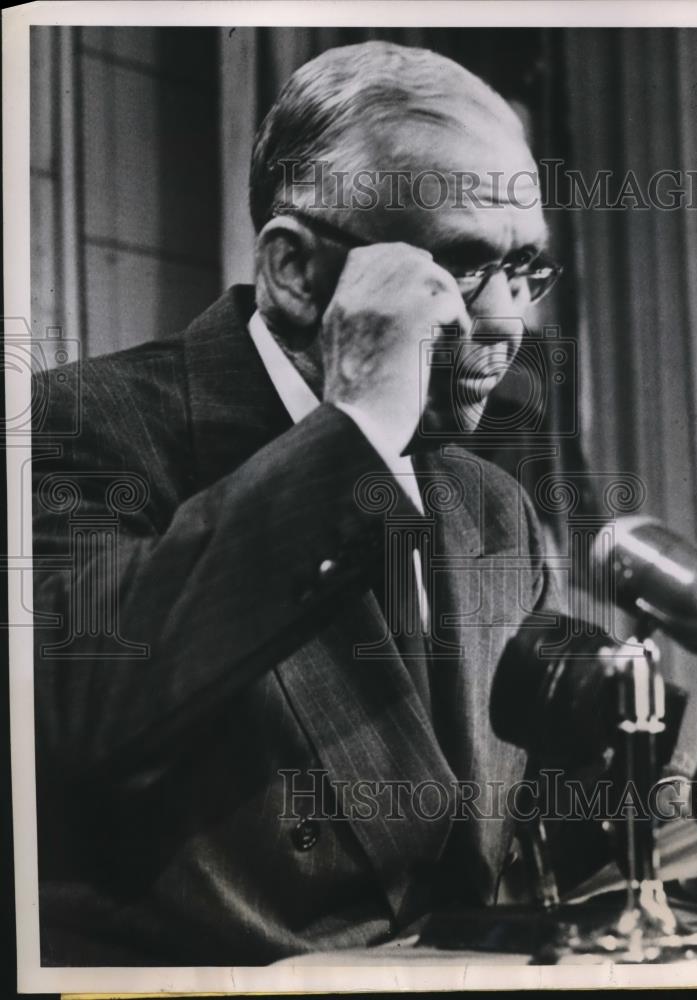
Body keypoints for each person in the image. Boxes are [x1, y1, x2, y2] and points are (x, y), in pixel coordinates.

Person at [32, 41, 564, 965]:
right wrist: (354, 428)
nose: (508, 324)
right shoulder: (77, 426)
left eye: (525, 270)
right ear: (296, 273)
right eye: (460, 269)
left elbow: (522, 829)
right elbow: (77, 714)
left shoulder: (495, 508)